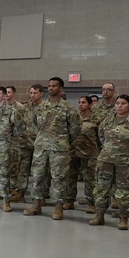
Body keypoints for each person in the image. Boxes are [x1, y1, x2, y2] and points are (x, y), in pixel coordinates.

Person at [89, 94, 129, 230]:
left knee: (125, 191)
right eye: (117, 103)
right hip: (106, 160)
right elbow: (101, 137)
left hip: (127, 163)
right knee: (101, 189)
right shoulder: (107, 121)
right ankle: (99, 215)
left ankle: (123, 218)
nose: (119, 106)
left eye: (123, 103)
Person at [24, 77, 80, 220]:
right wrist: (42, 138)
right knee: (37, 176)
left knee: (59, 177)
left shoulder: (68, 108)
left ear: (60, 89)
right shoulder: (40, 107)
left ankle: (58, 207)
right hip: (41, 147)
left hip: (59, 148)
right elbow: (35, 125)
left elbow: (75, 129)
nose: (50, 88)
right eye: (49, 86)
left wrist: (63, 141)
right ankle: (36, 204)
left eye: (54, 86)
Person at [10, 84, 41, 203]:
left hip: (39, 144)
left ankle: (40, 196)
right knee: (22, 170)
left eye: (35, 93)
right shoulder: (24, 108)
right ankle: (20, 193)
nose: (32, 95)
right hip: (24, 144)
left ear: (41, 94)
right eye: (31, 93)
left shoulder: (45, 108)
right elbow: (17, 124)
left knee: (39, 172)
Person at [69, 96, 99, 212]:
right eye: (79, 102)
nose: (81, 104)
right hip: (73, 151)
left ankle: (91, 203)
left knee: (90, 179)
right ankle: (69, 200)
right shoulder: (74, 117)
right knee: (70, 177)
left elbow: (100, 136)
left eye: (84, 102)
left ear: (90, 104)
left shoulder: (96, 118)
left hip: (89, 153)